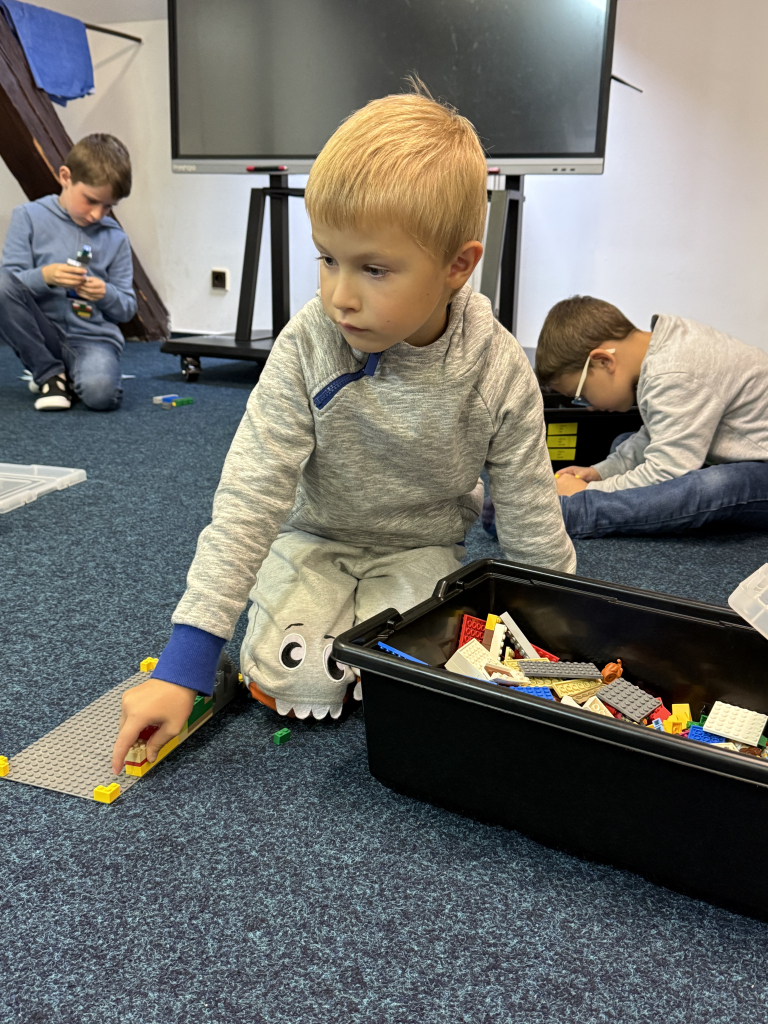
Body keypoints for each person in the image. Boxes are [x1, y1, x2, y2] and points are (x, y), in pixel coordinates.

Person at [111, 86, 576, 773]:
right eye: (327, 259)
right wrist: (187, 660)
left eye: (373, 269)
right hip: (312, 537)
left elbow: (532, 515)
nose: (339, 296)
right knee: (299, 675)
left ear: (458, 266)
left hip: (421, 548)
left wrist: (561, 646)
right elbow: (250, 495)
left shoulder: (497, 368)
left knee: (414, 672)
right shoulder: (308, 342)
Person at [535, 296, 768, 538]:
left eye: (581, 395)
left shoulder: (673, 371)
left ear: (604, 361)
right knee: (626, 443)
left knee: (714, 485)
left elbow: (667, 474)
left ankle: (580, 512)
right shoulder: (664, 346)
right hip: (737, 453)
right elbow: (654, 434)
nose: (589, 407)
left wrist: (589, 490)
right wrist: (599, 472)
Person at [0, 133, 136, 411]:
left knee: (101, 396)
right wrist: (45, 277)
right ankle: (50, 375)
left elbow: (127, 308)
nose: (97, 214)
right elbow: (9, 285)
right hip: (42, 334)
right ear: (65, 177)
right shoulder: (28, 217)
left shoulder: (116, 237)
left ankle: (66, 376)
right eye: (91, 200)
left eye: (108, 206)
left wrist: (105, 293)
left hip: (93, 339)